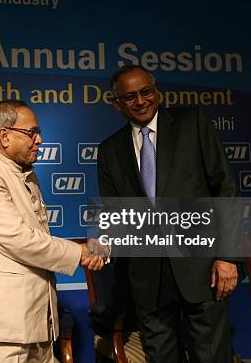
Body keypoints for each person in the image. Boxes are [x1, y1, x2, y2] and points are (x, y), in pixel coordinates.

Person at [96, 65, 239, 362]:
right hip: (147, 278)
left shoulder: (192, 123)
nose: (141, 101)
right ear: (117, 104)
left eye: (146, 92)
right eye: (130, 96)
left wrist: (227, 257)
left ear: (157, 91)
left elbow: (224, 190)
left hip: (202, 270)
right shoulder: (109, 150)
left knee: (211, 356)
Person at [0, 100, 105, 362]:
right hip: (3, 328)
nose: (39, 139)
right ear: (5, 136)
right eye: (31, 132)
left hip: (36, 320)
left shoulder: (24, 174)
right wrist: (80, 252)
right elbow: (20, 240)